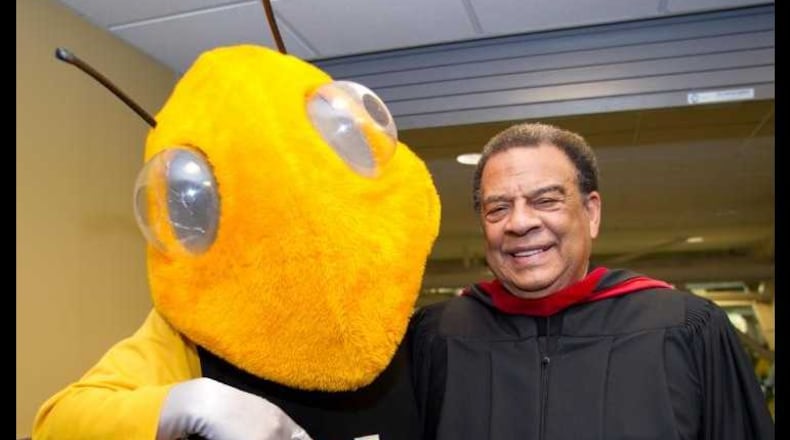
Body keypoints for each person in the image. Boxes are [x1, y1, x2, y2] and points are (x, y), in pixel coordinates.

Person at [408, 122, 774, 439]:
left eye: (545, 200)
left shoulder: (685, 328)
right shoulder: (437, 336)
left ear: (591, 212)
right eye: (498, 208)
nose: (519, 223)